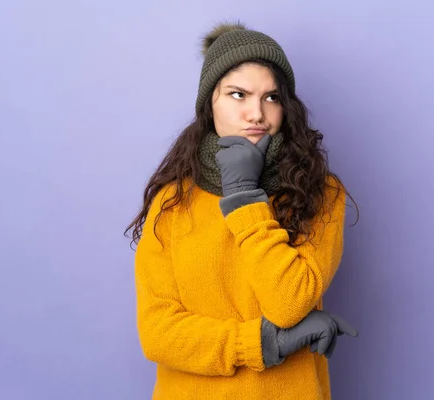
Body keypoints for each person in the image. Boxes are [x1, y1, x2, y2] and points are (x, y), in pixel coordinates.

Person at [125, 21, 359, 400]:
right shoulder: (173, 202)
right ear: (209, 104)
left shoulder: (319, 193)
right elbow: (158, 333)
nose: (257, 114)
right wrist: (266, 344)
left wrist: (244, 196)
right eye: (238, 94)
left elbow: (288, 303)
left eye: (271, 97)